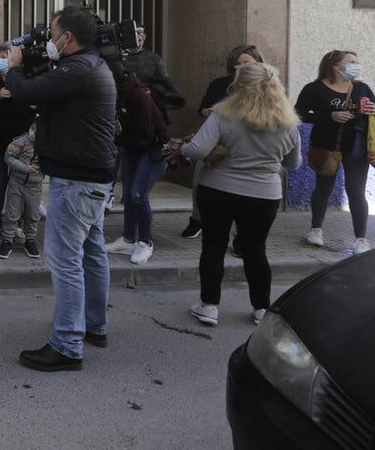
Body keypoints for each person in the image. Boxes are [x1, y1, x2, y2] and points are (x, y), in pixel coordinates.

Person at [7, 7, 117, 372]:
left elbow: (22, 92)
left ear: (67, 37)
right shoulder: (90, 66)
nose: (48, 39)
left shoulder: (79, 68)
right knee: (91, 252)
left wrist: (15, 65)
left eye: (52, 32)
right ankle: (94, 326)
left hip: (76, 180)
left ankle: (68, 344)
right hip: (90, 177)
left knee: (66, 261)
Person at [173, 61, 302, 326]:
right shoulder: (288, 123)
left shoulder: (222, 115)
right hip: (264, 194)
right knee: (256, 250)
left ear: (239, 85)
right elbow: (293, 164)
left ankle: (208, 306)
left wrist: (180, 149)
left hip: (219, 189)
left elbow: (197, 150)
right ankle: (261, 309)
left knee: (213, 246)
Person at [181, 45, 265, 239]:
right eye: (237, 63)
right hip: (214, 143)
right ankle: (197, 219)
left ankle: (239, 236)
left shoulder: (266, 88)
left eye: (247, 63)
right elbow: (203, 107)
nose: (241, 67)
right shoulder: (220, 84)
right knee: (199, 183)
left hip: (247, 147)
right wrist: (209, 113)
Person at [294, 50, 374, 254]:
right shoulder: (314, 89)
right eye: (351, 62)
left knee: (356, 191)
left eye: (357, 61)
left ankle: (360, 238)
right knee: (323, 187)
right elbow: (299, 114)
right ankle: (316, 230)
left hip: (356, 145)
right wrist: (329, 116)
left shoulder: (362, 88)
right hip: (326, 144)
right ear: (335, 66)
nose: (356, 65)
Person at [104, 69, 169, 265]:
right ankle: (128, 238)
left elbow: (145, 130)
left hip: (152, 150)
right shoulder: (123, 97)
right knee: (130, 196)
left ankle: (145, 241)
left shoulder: (138, 96)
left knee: (138, 195)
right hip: (134, 148)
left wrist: (117, 136)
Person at [0, 42, 36, 245]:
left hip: (21, 146)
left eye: (6, 56)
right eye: (0, 56)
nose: (2, 60)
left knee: (18, 186)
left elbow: (38, 104)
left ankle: (15, 226)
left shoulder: (26, 81)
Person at [0, 122, 43, 260]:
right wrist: (24, 167)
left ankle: (30, 240)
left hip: (35, 185)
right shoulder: (20, 141)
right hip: (17, 182)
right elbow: (8, 158)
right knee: (12, 213)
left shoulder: (47, 144)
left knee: (33, 214)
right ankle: (7, 240)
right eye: (34, 129)